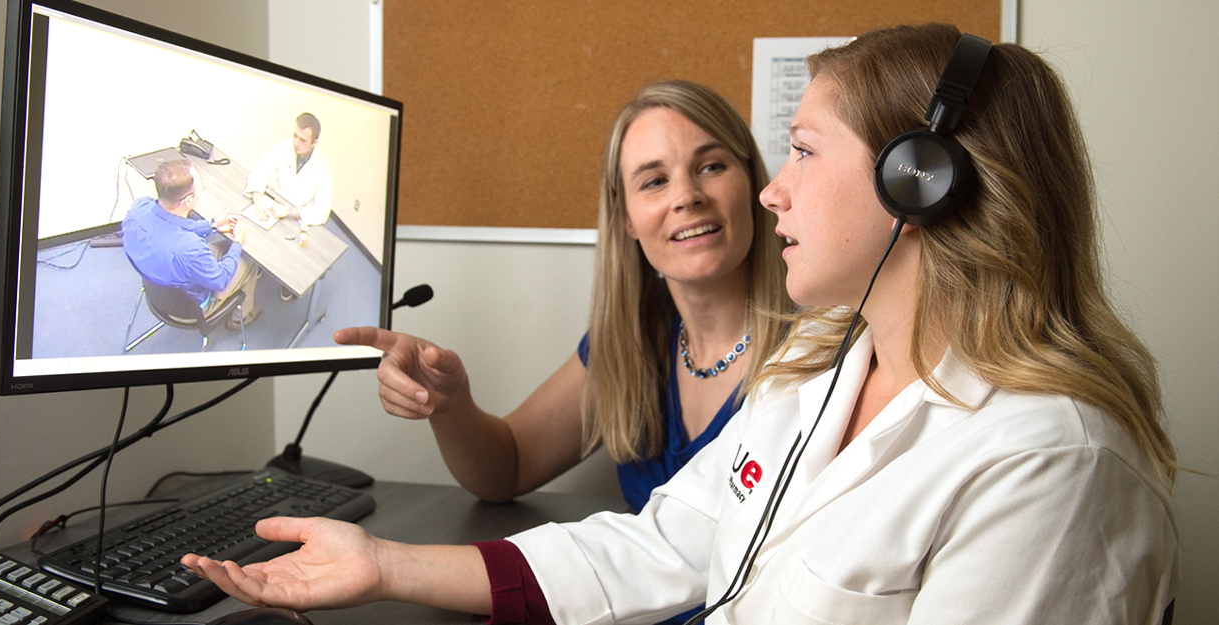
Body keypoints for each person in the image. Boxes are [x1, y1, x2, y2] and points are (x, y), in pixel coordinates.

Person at [182, 24, 1178, 624]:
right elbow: (663, 545)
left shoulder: (1052, 466)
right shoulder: (824, 371)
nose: (774, 191)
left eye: (795, 153)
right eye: (651, 180)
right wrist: (383, 564)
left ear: (914, 182)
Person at [334, 79, 790, 518]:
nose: (687, 197)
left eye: (711, 167)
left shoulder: (822, 349)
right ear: (627, 219)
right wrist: (451, 404)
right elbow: (507, 469)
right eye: (654, 181)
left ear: (753, 184)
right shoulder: (634, 334)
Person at [122, 159, 260, 326]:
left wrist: (213, 225)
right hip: (187, 309)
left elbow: (173, 225)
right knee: (249, 259)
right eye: (200, 189)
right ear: (188, 201)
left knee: (222, 248)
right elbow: (220, 280)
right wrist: (238, 240)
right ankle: (242, 318)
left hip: (155, 291)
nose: (201, 191)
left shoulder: (137, 209)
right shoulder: (191, 250)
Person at [245, 112, 334, 244]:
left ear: (314, 142)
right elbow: (260, 171)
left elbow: (322, 211)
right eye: (295, 136)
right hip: (275, 206)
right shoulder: (285, 146)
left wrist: (290, 212)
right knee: (253, 239)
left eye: (303, 140)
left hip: (300, 218)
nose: (296, 143)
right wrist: (257, 199)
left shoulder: (322, 167)